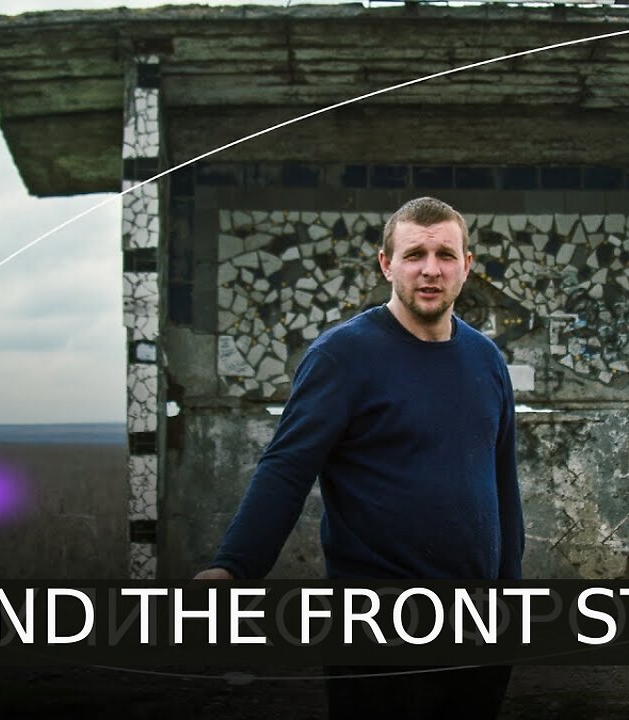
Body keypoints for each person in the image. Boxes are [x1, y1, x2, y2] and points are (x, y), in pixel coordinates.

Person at [194, 196, 523, 719]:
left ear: (467, 265)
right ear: (386, 263)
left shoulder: (486, 359)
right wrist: (232, 569)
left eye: (445, 254)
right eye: (414, 254)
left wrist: (512, 592)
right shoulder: (342, 356)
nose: (430, 270)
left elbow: (503, 481)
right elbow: (286, 467)